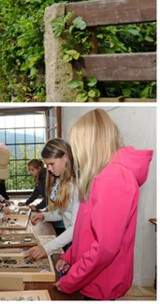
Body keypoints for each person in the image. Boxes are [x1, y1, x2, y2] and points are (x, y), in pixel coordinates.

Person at [56, 109, 153, 299]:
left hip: (100, 283)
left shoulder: (113, 178)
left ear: (89, 145)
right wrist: (70, 257)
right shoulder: (105, 175)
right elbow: (86, 231)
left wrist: (71, 280)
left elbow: (104, 248)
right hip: (92, 277)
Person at [25, 138, 78, 260]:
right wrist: (45, 216)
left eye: (51, 164)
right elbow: (64, 213)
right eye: (47, 164)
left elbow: (75, 228)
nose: (49, 168)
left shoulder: (77, 185)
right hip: (70, 239)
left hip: (78, 240)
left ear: (65, 157)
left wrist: (46, 248)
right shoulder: (62, 181)